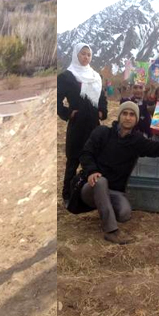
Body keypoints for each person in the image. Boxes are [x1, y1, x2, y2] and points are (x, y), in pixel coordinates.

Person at [79, 101, 159, 244]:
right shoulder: (102, 132)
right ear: (119, 116)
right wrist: (91, 171)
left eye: (132, 114)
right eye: (125, 113)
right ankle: (111, 231)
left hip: (114, 192)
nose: (128, 117)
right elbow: (85, 153)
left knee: (125, 214)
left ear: (136, 119)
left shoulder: (137, 141)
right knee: (101, 181)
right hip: (92, 187)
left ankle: (105, 207)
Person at [58, 43, 108, 201]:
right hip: (77, 124)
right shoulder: (66, 76)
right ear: (76, 55)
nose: (86, 57)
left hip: (93, 124)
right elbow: (57, 100)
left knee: (93, 158)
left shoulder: (95, 76)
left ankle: (90, 194)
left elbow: (102, 98)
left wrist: (102, 111)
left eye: (88, 54)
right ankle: (68, 194)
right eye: (83, 54)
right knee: (73, 160)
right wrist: (68, 113)